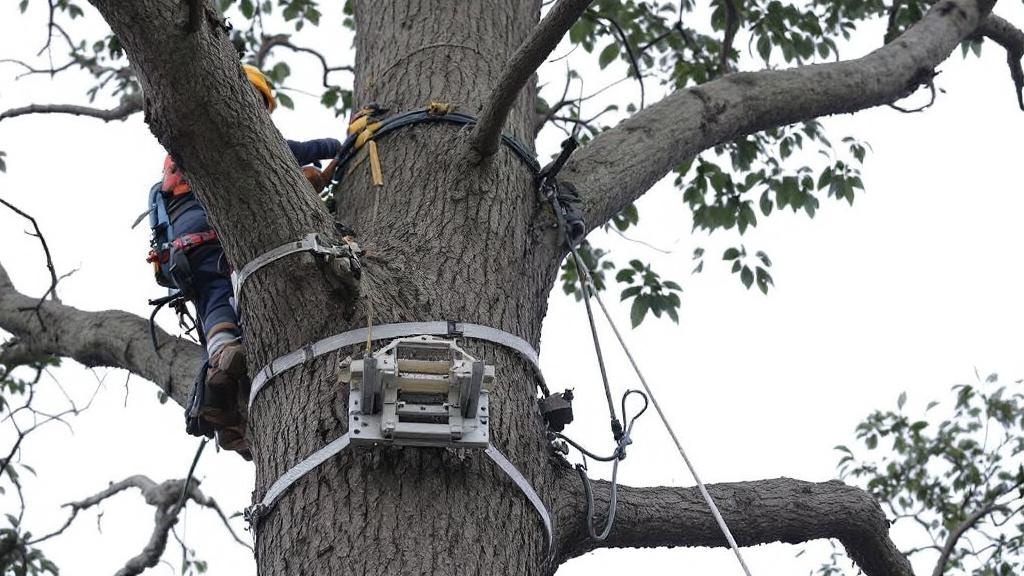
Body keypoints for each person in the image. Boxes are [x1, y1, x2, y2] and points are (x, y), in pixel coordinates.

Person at [149, 64, 342, 456]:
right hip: (214, 240)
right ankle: (225, 363)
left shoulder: (175, 165)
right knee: (231, 299)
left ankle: (229, 411)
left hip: (183, 254)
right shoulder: (229, 139)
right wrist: (336, 146)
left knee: (215, 306)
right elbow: (293, 152)